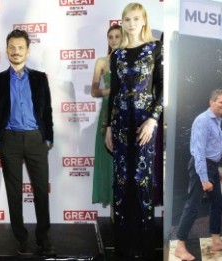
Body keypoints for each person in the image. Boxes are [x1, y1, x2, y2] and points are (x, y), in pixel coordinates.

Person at [0, 29, 55, 256]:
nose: (16, 51)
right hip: (10, 141)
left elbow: (47, 110)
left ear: (27, 50)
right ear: (7, 50)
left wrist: (48, 138)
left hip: (36, 139)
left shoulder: (39, 77)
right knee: (14, 193)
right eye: (12, 47)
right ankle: (21, 239)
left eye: (20, 47)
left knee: (40, 192)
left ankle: (43, 238)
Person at [104, 3, 163, 259]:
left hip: (143, 125)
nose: (130, 23)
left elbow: (162, 88)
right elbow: (113, 94)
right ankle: (124, 245)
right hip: (119, 125)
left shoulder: (156, 48)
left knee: (141, 181)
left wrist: (153, 119)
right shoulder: (116, 54)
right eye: (126, 19)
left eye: (135, 19)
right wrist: (108, 126)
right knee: (122, 182)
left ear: (143, 21)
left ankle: (144, 245)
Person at [175, 89, 222, 261]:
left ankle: (215, 241)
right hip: (201, 167)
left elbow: (212, 149)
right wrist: (205, 178)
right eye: (221, 102)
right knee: (192, 206)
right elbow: (199, 152)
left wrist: (217, 172)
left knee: (217, 204)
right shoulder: (203, 120)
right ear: (211, 103)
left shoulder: (217, 121)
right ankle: (180, 247)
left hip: (212, 167)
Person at [91, 24, 121, 207]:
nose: (114, 40)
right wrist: (114, 90)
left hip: (126, 113)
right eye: (111, 37)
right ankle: (112, 207)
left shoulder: (131, 61)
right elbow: (94, 91)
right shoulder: (102, 62)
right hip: (106, 115)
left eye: (118, 36)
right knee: (107, 157)